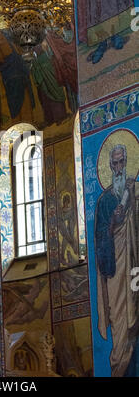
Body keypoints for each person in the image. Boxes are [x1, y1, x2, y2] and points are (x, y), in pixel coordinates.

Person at [95, 144, 138, 376]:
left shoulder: (134, 191)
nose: (119, 168)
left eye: (122, 162)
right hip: (115, 268)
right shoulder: (103, 202)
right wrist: (112, 224)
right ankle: (119, 365)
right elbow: (100, 240)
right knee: (119, 316)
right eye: (115, 163)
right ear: (110, 166)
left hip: (134, 269)